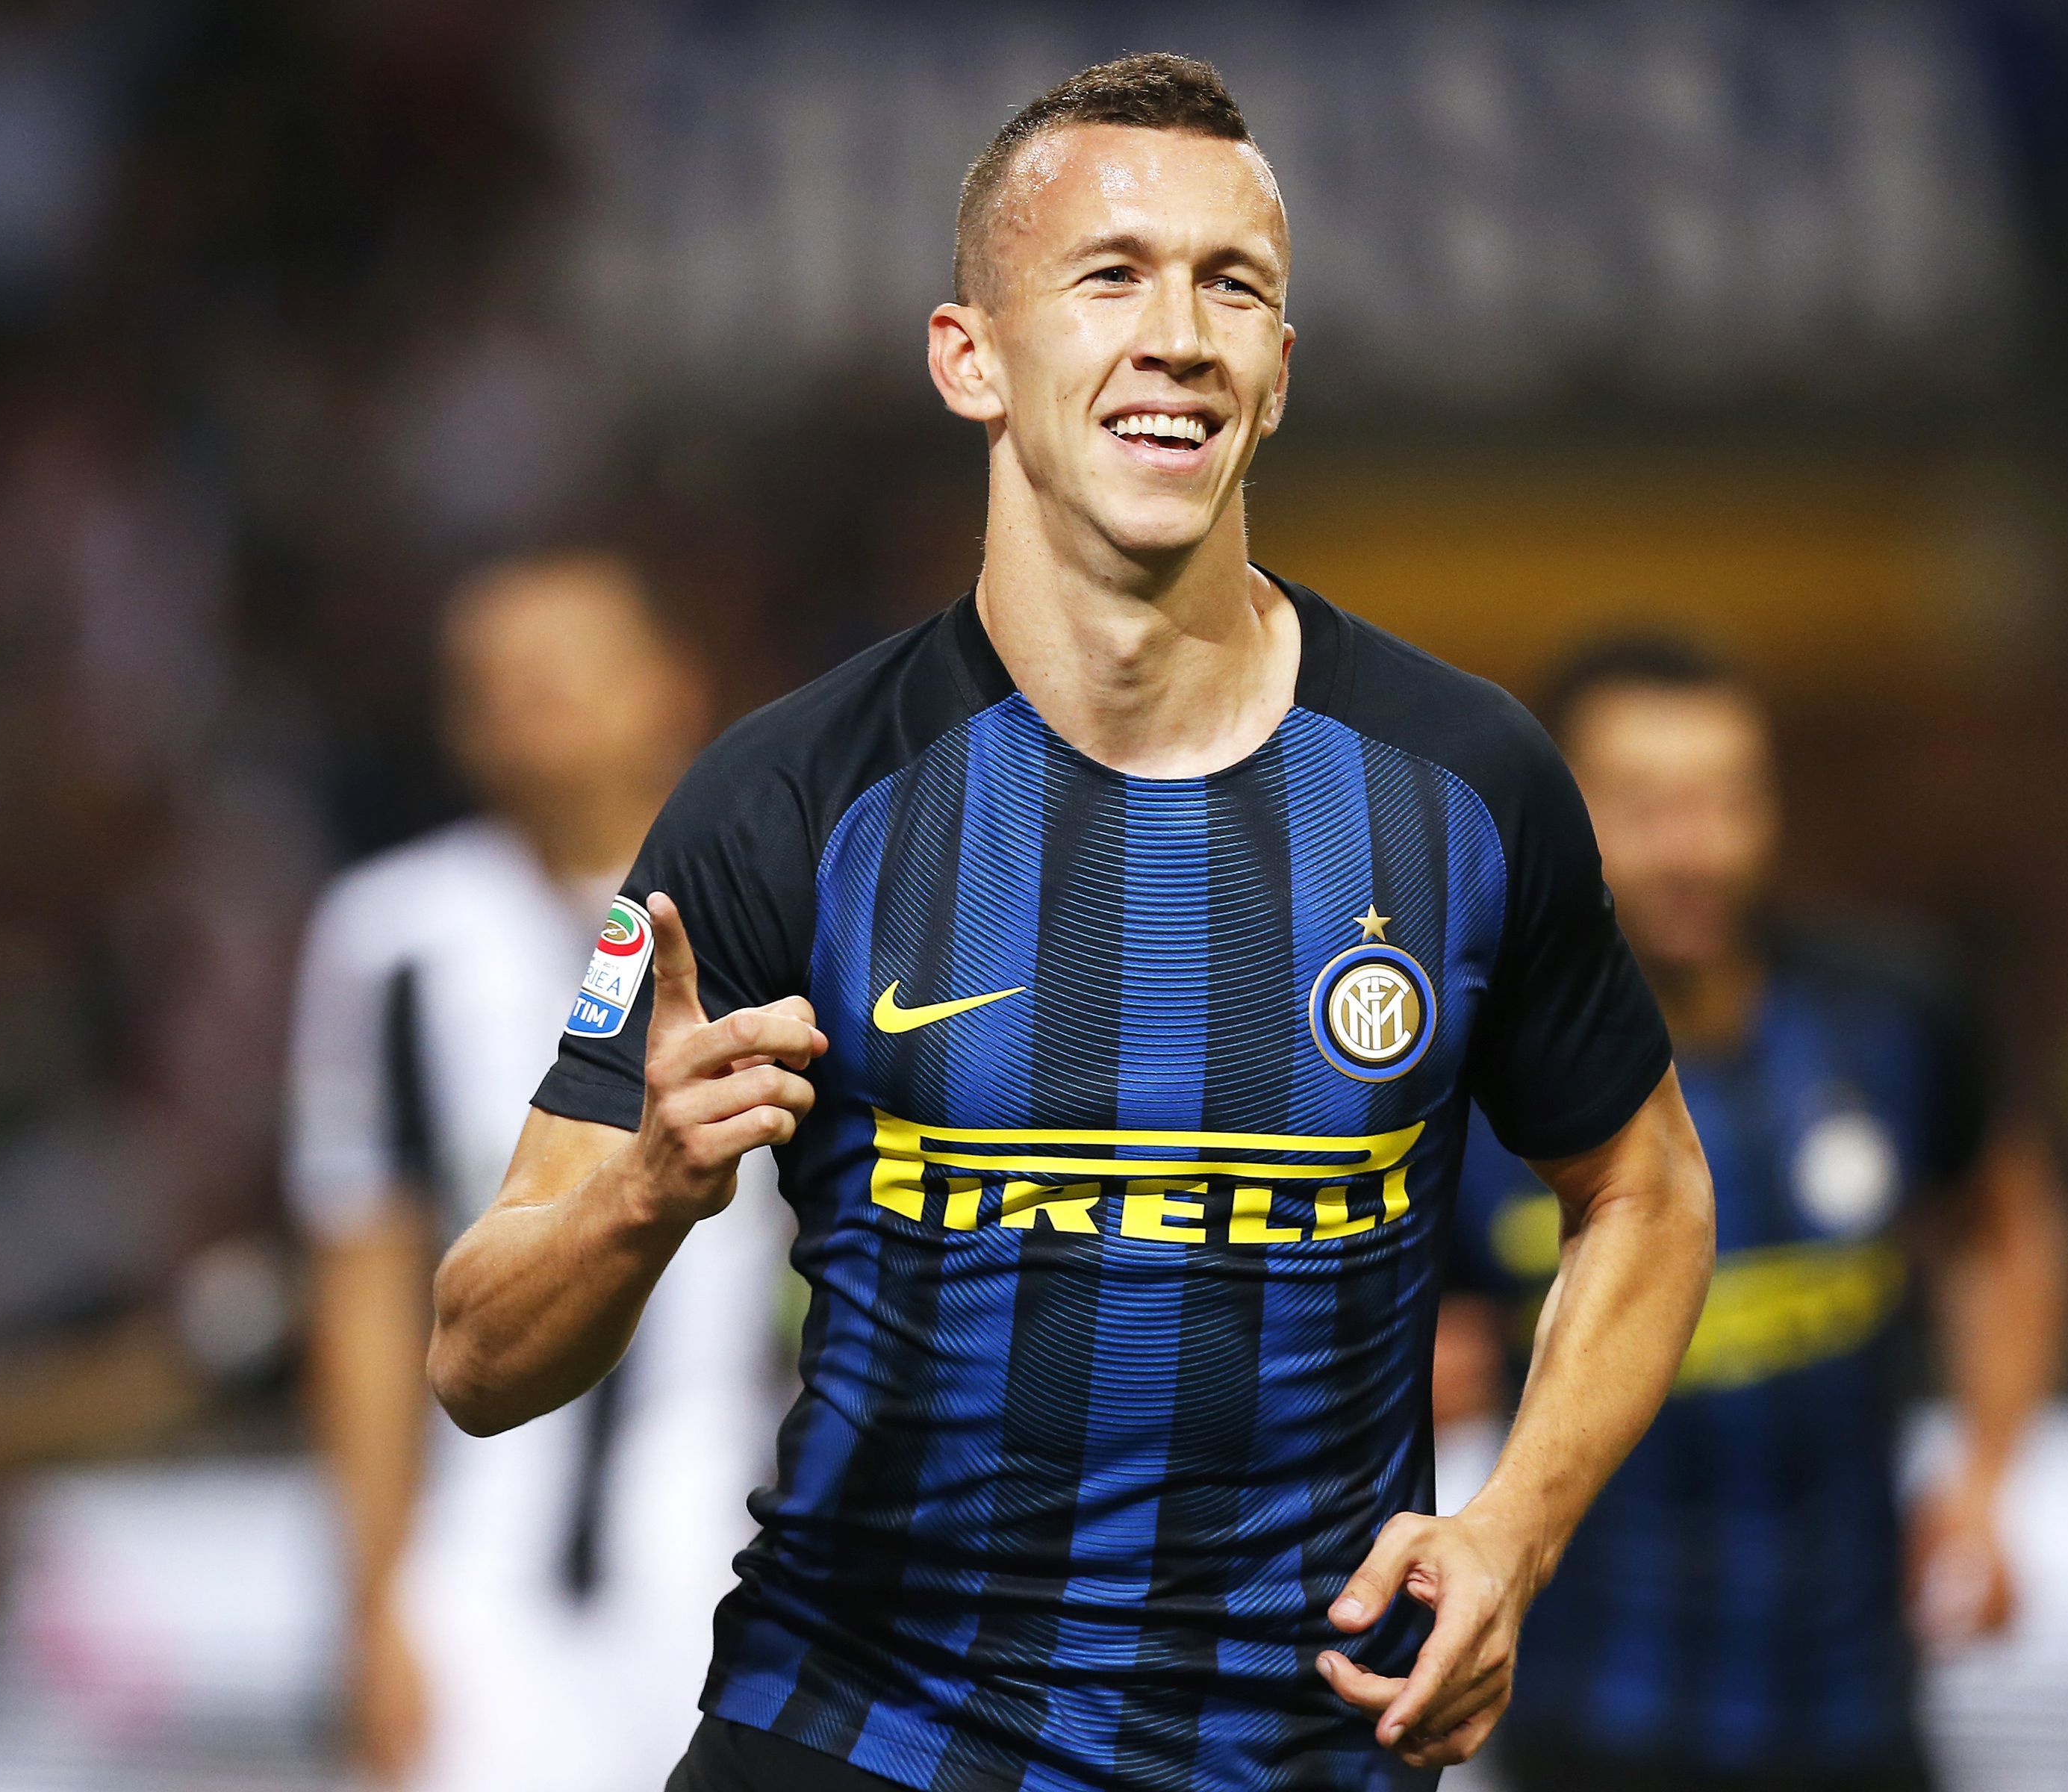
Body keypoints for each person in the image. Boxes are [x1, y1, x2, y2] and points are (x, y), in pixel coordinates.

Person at [423, 53, 1717, 1792]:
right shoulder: (784, 802)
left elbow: (1644, 1190)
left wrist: (1518, 1526)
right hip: (862, 1734)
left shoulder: (1462, 787)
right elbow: (478, 1352)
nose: (1178, 331)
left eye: (1231, 287)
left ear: (1276, 374)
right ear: (972, 356)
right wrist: (646, 1195)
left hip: (1297, 1754)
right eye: (1111, 275)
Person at [1439, 635, 2068, 1792]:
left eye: (1727, 799)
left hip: (1861, 1713)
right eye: (1646, 806)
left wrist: (1986, 1475)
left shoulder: (1895, 1013)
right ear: (1558, 815)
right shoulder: (1461, 1075)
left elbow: (2003, 1223)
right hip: (1588, 1728)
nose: (1698, 846)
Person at [287, 554, 797, 1792]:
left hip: (739, 1555)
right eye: (491, 679)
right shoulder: (394, 940)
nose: (525, 700)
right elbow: (366, 1283)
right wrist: (370, 1609)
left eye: (563, 667)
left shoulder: (802, 914)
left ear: (671, 686)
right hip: (482, 1581)